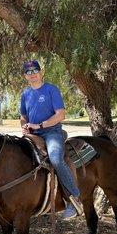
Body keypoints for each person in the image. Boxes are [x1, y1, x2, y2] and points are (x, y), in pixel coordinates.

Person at [19, 60, 83, 219]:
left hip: (52, 132)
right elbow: (23, 116)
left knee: (55, 159)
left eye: (35, 71)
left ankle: (74, 200)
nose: (32, 74)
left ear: (41, 73)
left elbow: (60, 114)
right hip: (33, 134)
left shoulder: (51, 89)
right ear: (25, 76)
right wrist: (24, 126)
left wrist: (39, 126)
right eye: (28, 72)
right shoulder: (25, 94)